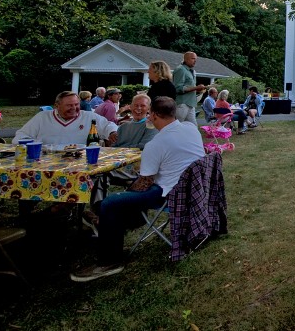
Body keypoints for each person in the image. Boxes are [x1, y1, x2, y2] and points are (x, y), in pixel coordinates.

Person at [70, 97, 205, 282]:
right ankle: (118, 222)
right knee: (125, 197)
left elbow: (144, 184)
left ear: (154, 115)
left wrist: (128, 190)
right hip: (194, 189)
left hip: (169, 194)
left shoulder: (156, 144)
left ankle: (109, 261)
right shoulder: (190, 129)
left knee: (110, 203)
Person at [14, 91, 118, 145]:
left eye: (76, 104)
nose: (74, 108)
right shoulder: (43, 117)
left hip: (80, 162)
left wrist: (112, 132)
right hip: (47, 161)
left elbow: (108, 125)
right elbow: (21, 136)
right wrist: (35, 147)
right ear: (57, 105)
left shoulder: (88, 116)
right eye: (69, 105)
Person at [173, 51, 206, 125]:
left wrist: (198, 89)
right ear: (186, 59)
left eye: (196, 59)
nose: (195, 61)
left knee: (193, 128)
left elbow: (190, 87)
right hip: (182, 104)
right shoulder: (180, 69)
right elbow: (178, 88)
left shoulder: (192, 71)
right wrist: (196, 88)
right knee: (176, 126)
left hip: (191, 104)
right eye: (193, 59)